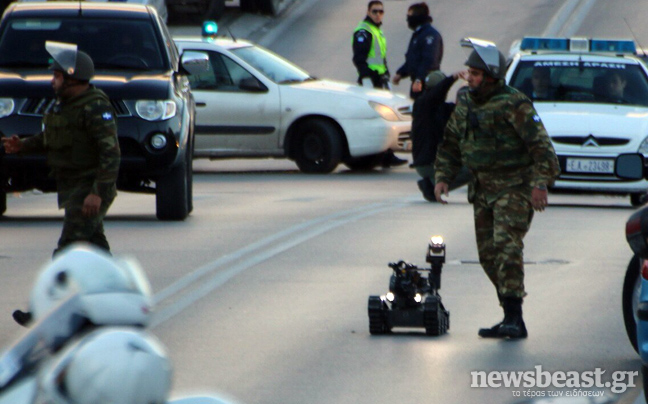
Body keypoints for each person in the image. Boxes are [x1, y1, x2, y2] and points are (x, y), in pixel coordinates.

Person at [433, 38, 560, 339]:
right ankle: (508, 314)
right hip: (482, 189)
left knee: (506, 248)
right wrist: (442, 177)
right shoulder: (465, 104)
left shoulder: (514, 103)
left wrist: (540, 184)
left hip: (514, 188)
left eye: (475, 74)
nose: (470, 78)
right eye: (469, 73)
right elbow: (450, 143)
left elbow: (542, 148)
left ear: (490, 75)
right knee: (488, 255)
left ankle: (515, 317)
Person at [1, 42, 120, 256]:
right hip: (72, 185)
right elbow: (53, 137)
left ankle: (55, 286)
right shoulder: (67, 105)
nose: (52, 82)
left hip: (88, 185)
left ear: (72, 78)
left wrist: (97, 193)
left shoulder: (95, 107)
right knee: (95, 243)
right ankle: (117, 284)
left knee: (68, 247)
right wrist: (22, 145)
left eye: (57, 76)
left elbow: (111, 153)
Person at [352, 1, 407, 168]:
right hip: (371, 81)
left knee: (386, 117)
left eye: (381, 12)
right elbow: (359, 59)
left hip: (380, 80)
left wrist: (386, 75)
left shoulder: (377, 30)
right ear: (368, 11)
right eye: (375, 11)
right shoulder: (364, 30)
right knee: (378, 118)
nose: (378, 14)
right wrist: (366, 78)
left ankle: (387, 155)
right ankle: (379, 155)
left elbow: (380, 58)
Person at [411, 70, 471, 201]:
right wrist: (453, 77)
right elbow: (436, 95)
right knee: (473, 168)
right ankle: (432, 186)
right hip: (428, 163)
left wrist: (468, 87)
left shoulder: (440, 109)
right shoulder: (423, 105)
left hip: (433, 161)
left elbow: (460, 108)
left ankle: (434, 183)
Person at [392, 2, 443, 99]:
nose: (408, 19)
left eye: (410, 16)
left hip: (427, 85)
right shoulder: (418, 34)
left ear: (417, 16)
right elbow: (412, 60)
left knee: (424, 112)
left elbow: (429, 61)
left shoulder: (430, 35)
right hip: (416, 84)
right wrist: (400, 73)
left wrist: (419, 79)